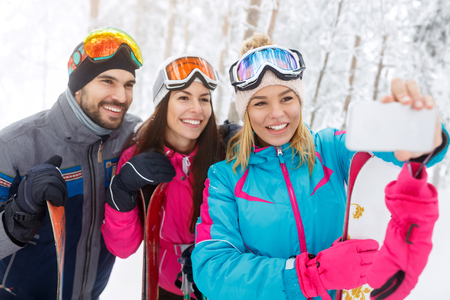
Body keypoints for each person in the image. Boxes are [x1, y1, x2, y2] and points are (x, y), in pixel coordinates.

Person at [192, 33, 449, 300]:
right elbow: (213, 270)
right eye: (260, 103)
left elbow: (389, 150)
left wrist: (420, 136)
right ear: (246, 111)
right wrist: (312, 275)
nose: (277, 113)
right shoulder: (225, 178)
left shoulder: (330, 149)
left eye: (286, 98)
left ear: (299, 101)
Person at [0, 27, 143, 299]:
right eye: (107, 81)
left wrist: (227, 138)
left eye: (128, 84)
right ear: (78, 87)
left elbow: (180, 136)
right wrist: (20, 211)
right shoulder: (14, 145)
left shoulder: (131, 134)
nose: (122, 97)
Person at [101, 55, 238, 299]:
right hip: (163, 286)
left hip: (220, 282)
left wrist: (248, 141)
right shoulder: (137, 158)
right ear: (163, 103)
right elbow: (123, 248)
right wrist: (122, 191)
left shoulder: (223, 154)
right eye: (184, 97)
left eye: (204, 99)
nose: (196, 109)